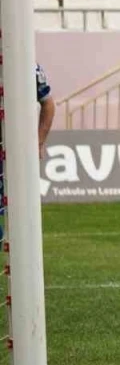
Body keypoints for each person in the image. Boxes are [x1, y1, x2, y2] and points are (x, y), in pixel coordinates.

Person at [3, 65, 56, 243]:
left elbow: (48, 103)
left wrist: (38, 142)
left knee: (19, 214)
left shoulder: (25, 64)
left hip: (13, 152)